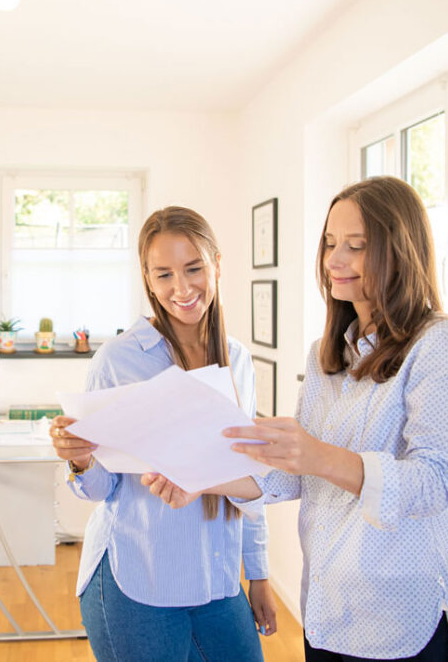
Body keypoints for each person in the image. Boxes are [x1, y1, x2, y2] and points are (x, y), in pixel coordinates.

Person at [145, 176, 448, 661]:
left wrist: (320, 456)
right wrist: (202, 480)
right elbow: (290, 476)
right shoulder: (327, 356)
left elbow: (434, 483)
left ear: (400, 250)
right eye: (329, 243)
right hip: (327, 611)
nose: (334, 261)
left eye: (356, 245)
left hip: (397, 618)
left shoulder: (442, 344)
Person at [49, 205, 277, 661]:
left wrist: (259, 573)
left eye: (194, 269)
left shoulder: (239, 361)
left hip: (216, 580)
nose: (182, 288)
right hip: (138, 578)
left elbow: (247, 476)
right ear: (148, 280)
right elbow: (100, 490)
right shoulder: (118, 360)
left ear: (217, 264)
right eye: (164, 275)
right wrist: (80, 459)